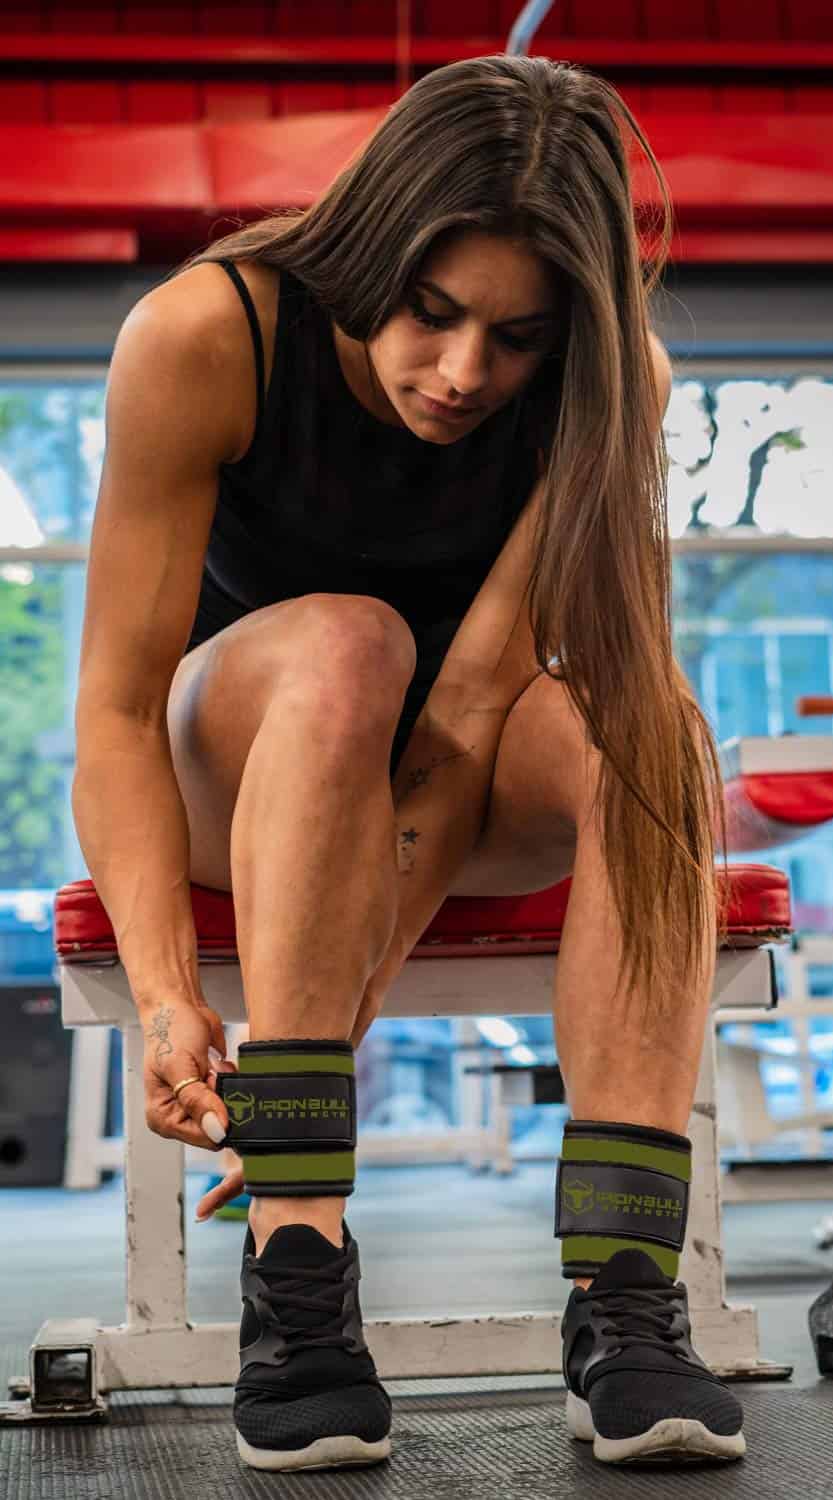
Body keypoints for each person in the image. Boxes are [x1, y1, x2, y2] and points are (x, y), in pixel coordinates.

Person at [72, 53, 739, 1473]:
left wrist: (321, 1047)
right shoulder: (204, 333)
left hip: (461, 766)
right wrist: (167, 998)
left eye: (520, 339)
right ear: (375, 250)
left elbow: (471, 716)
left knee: (658, 721)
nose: (462, 375)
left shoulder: (614, 387)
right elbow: (119, 714)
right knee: (349, 648)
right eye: (434, 315)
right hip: (236, 773)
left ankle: (626, 1293)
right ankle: (298, 1281)